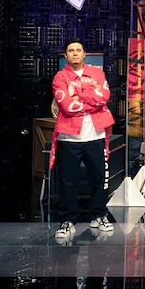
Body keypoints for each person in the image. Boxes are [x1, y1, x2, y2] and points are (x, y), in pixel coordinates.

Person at [51, 38, 116, 241]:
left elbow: (104, 97)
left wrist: (79, 95)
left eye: (78, 50)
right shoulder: (60, 77)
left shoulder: (97, 73)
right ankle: (68, 220)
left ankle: (98, 215)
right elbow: (67, 107)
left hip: (95, 135)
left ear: (84, 54)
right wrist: (91, 97)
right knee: (68, 181)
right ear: (66, 55)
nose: (75, 53)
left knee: (99, 178)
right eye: (71, 50)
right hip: (69, 137)